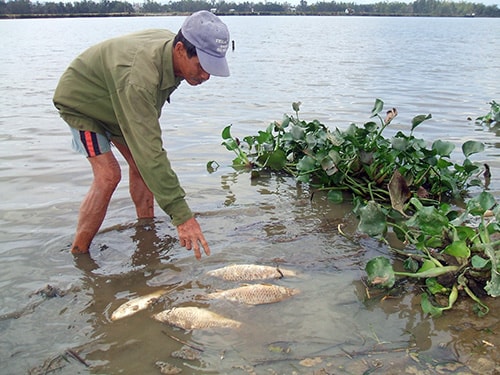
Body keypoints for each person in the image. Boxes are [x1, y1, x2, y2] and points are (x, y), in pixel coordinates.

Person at [53, 10, 230, 260]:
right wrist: (183, 217)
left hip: (119, 99)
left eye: (211, 68)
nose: (206, 76)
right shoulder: (139, 78)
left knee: (142, 166)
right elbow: (151, 151)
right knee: (108, 175)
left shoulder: (172, 52)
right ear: (180, 50)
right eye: (201, 66)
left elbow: (147, 154)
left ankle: (146, 234)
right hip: (84, 102)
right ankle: (79, 254)